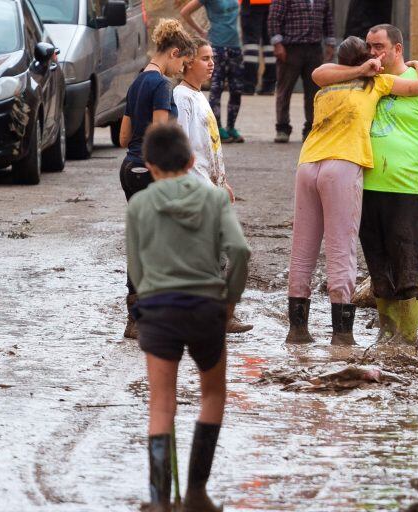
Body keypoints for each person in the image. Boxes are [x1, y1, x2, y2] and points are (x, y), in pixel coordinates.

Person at [127, 123, 250, 510]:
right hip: (205, 309)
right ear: (193, 160)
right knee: (212, 394)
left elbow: (136, 269)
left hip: (159, 310)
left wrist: (147, 307)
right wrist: (229, 301)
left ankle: (159, 499)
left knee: (162, 402)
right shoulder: (214, 199)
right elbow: (241, 252)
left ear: (149, 166)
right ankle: (196, 492)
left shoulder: (139, 205)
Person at [286, 37, 418, 346]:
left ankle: (297, 330)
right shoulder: (377, 83)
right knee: (342, 248)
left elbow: (318, 72)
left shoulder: (326, 86)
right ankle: (342, 334)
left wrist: (356, 68)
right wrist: (417, 65)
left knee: (302, 248)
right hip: (342, 165)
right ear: (366, 61)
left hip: (308, 163)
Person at [173, 37, 254, 334]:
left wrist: (222, 180)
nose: (212, 64)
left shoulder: (198, 96)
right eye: (205, 58)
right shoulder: (182, 98)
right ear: (187, 61)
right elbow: (182, 147)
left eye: (213, 59)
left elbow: (210, 146)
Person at [120, 19, 195, 339]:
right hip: (152, 171)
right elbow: (160, 136)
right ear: (174, 52)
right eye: (183, 62)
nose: (181, 70)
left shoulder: (138, 81)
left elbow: (124, 136)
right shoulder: (162, 85)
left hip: (129, 170)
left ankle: (136, 318)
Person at [268, 0, 336, 143]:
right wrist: (277, 44)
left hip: (314, 48)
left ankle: (310, 128)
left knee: (314, 91)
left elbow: (328, 19)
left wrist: (330, 42)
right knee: (284, 90)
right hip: (290, 48)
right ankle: (282, 128)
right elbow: (274, 18)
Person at [181, 0, 246, 143]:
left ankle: (231, 127)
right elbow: (185, 12)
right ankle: (217, 127)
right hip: (218, 46)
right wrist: (201, 31)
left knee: (237, 89)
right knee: (217, 87)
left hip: (235, 46)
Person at [239, 0, 276, 95]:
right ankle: (269, 87)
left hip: (251, 3)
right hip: (273, 4)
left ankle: (249, 86)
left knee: (251, 45)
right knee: (269, 46)